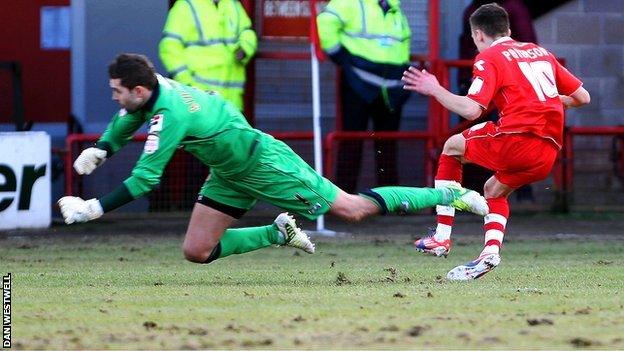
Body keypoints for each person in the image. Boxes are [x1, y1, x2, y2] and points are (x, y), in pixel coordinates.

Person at [58, 53, 488, 265]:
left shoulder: (168, 114)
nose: (114, 97)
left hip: (262, 163)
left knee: (351, 209)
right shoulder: (154, 88)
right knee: (196, 251)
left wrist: (93, 208)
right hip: (228, 172)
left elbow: (144, 180)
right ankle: (278, 233)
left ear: (137, 89)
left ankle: (446, 192)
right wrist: (102, 147)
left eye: (117, 90)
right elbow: (124, 118)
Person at [402, 3, 590, 280]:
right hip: (548, 152)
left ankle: (441, 236)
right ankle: (490, 252)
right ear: (509, 29)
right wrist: (547, 101)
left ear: (478, 35)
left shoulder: (489, 57)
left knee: (451, 147)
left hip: (515, 140)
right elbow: (582, 98)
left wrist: (435, 89)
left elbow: (471, 109)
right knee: (494, 190)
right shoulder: (541, 53)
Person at [316, 0, 412, 193]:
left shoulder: (395, 9)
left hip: (391, 89)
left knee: (387, 145)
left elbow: (403, 46)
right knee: (351, 141)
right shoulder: (351, 2)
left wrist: (402, 83)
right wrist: (340, 56)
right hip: (358, 83)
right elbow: (325, 21)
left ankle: (389, 200)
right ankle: (344, 197)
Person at [158, 0, 256, 111]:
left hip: (231, 102)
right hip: (199, 99)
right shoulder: (185, 6)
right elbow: (169, 48)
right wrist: (187, 84)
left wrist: (244, 48)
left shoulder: (233, 4)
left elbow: (247, 32)